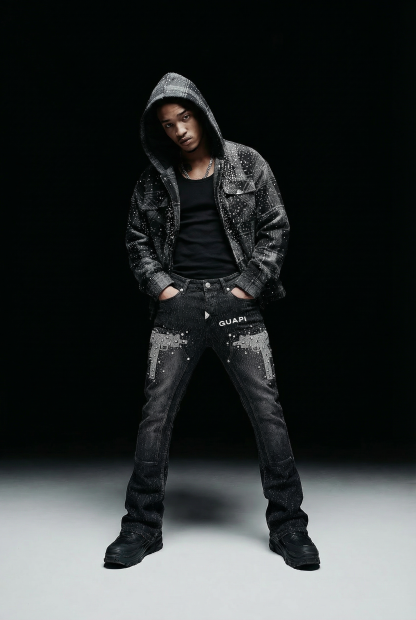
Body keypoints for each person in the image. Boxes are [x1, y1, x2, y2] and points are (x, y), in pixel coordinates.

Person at [104, 72, 320, 570]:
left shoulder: (247, 162)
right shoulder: (152, 179)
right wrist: (163, 288)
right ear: (159, 130)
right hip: (177, 304)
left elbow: (276, 226)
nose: (179, 130)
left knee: (267, 412)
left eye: (185, 117)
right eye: (168, 124)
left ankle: (289, 525)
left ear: (201, 114)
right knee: (155, 415)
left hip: (238, 304)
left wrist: (248, 285)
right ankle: (141, 526)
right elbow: (136, 239)